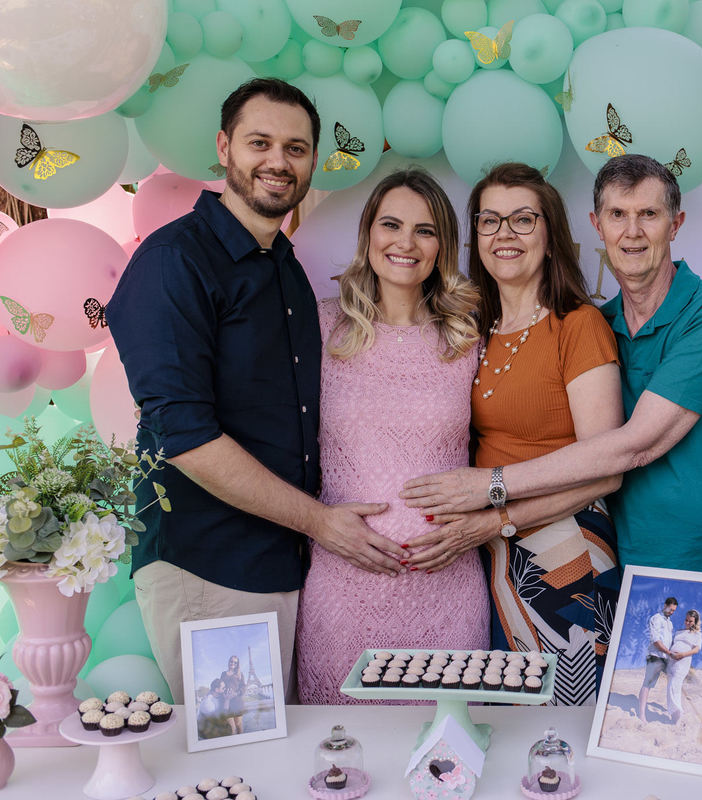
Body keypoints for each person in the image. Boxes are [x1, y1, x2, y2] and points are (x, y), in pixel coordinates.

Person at [403, 154, 702, 705]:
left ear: (675, 225)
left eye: (649, 215)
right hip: (645, 582)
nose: (632, 232)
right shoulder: (602, 322)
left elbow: (636, 444)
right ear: (596, 224)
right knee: (652, 753)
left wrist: (490, 488)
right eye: (618, 215)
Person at [107, 78, 406, 704]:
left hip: (286, 566)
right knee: (235, 765)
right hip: (209, 566)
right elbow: (185, 439)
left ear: (313, 162)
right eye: (259, 142)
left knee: (281, 767)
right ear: (224, 148)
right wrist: (323, 523)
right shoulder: (174, 263)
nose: (278, 161)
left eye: (296, 148)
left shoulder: (286, 268)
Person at [403, 162, 623, 706]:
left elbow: (606, 470)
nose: (504, 234)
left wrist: (494, 513)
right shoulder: (473, 330)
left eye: (523, 220)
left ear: (550, 237)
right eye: (490, 220)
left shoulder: (577, 325)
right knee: (512, 725)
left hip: (563, 548)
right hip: (492, 554)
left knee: (568, 720)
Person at [294, 170, 488, 703]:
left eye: (425, 230)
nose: (406, 242)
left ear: (443, 246)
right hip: (343, 584)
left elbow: (500, 445)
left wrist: (481, 519)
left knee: (447, 762)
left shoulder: (470, 335)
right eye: (391, 225)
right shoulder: (320, 328)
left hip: (446, 583)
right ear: (368, 235)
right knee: (343, 760)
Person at [638, 597, 677, 722]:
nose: (671, 612)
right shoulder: (656, 618)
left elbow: (669, 641)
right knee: (647, 684)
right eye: (670, 609)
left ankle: (674, 712)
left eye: (673, 611)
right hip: (655, 656)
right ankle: (642, 714)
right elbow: (656, 641)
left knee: (673, 682)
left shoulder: (670, 623)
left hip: (666, 658)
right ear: (665, 605)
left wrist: (671, 653)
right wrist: (669, 652)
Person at [665, 609, 702, 724]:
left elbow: (696, 649)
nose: (687, 623)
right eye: (686, 620)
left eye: (690, 621)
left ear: (695, 622)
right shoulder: (679, 632)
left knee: (674, 684)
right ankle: (675, 712)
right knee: (670, 685)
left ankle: (677, 712)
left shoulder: (697, 634)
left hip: (683, 660)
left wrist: (682, 654)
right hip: (672, 660)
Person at [218, 655, 246, 735]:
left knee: (238, 725)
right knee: (232, 729)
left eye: (235, 662)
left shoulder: (240, 674)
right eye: (231, 661)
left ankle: (242, 744)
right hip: (226, 703)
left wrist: (236, 693)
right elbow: (220, 685)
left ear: (237, 664)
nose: (233, 663)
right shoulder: (223, 674)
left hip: (237, 702)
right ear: (229, 662)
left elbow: (244, 687)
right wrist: (223, 694)